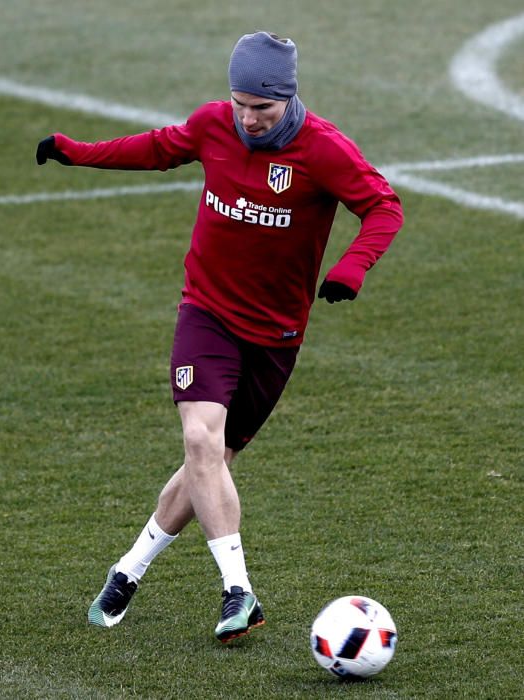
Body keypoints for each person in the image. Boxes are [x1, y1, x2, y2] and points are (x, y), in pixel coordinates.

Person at [36, 31, 403, 643]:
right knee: (201, 440)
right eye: (241, 103)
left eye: (263, 107)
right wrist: (78, 151)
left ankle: (128, 570)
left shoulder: (325, 150)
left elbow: (384, 207)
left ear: (288, 97)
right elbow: (155, 148)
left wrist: (352, 267)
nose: (249, 118)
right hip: (205, 311)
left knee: (213, 462)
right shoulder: (214, 125)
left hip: (275, 334)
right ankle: (239, 591)